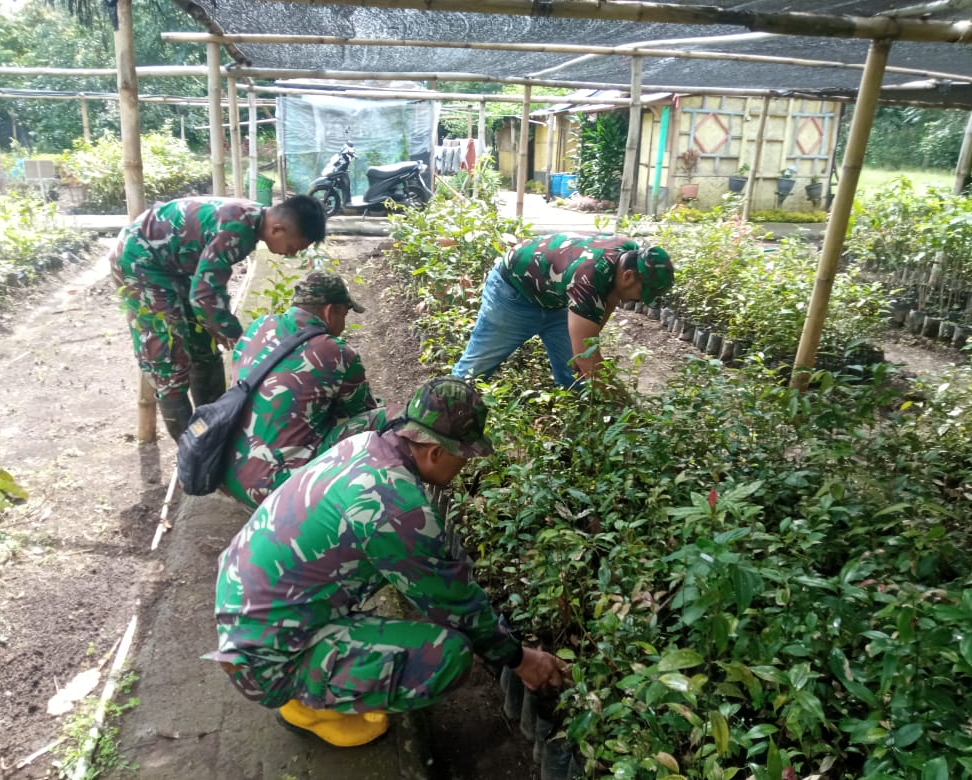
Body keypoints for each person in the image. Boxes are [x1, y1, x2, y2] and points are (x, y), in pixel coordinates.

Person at [207, 376, 567, 748]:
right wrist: (519, 658)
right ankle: (308, 703)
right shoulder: (394, 508)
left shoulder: (365, 445)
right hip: (263, 659)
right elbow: (454, 603)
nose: (466, 467)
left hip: (246, 603)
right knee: (448, 655)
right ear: (435, 452)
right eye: (465, 456)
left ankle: (315, 672)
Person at [109, 195, 327, 441]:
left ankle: (212, 431)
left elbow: (206, 291)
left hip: (171, 263)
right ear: (278, 229)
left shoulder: (253, 218)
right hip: (140, 260)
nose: (289, 255)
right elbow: (205, 295)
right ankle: (193, 452)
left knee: (203, 345)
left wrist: (222, 330)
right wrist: (241, 339)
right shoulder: (238, 230)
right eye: (293, 247)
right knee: (168, 358)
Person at [222, 270, 388, 508]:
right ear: (330, 311)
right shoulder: (337, 352)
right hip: (277, 491)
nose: (344, 324)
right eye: (345, 314)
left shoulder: (258, 326)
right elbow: (361, 412)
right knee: (383, 418)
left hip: (230, 473)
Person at [451, 234, 674, 388]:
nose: (638, 301)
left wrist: (589, 342)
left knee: (576, 378)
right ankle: (435, 416)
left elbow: (610, 298)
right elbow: (589, 361)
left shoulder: (629, 254)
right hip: (512, 294)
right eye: (641, 293)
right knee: (473, 372)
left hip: (556, 297)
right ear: (628, 276)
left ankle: (575, 426)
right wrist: (624, 408)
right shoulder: (588, 279)